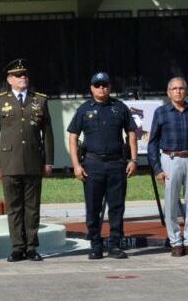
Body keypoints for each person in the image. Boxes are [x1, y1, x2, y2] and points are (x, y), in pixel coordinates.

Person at [0, 59, 53, 262]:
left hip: (33, 160)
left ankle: (32, 247)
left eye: (24, 74)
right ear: (9, 80)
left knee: (32, 207)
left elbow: (48, 134)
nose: (22, 77)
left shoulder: (39, 100)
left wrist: (48, 161)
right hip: (9, 162)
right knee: (14, 207)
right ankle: (17, 247)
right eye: (18, 75)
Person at [67, 72, 138, 260]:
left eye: (105, 85)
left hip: (117, 163)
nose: (101, 88)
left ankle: (115, 244)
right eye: (97, 85)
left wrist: (133, 159)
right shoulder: (83, 109)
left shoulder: (120, 108)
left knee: (117, 206)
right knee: (93, 207)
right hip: (92, 164)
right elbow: (73, 138)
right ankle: (96, 245)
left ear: (110, 87)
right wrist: (76, 165)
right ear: (91, 88)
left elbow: (131, 134)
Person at [146, 77, 188, 257]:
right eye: (174, 89)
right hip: (170, 159)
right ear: (168, 92)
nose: (178, 91)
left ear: (186, 91)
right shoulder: (161, 112)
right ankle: (175, 242)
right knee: (171, 203)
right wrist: (157, 169)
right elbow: (152, 143)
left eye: (181, 88)